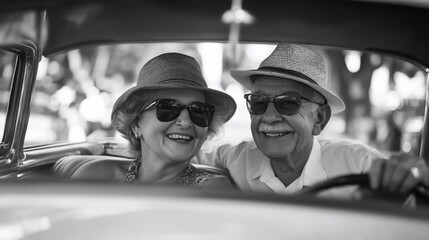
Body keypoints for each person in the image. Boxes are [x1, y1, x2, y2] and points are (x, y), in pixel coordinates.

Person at [194, 42, 429, 199]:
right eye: (258, 102)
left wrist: (413, 174)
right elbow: (182, 154)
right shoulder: (236, 157)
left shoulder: (361, 164)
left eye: (288, 103)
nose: (269, 116)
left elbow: (413, 189)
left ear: (320, 119)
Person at [71, 52, 237, 189]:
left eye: (198, 111)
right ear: (136, 124)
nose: (186, 122)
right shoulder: (94, 176)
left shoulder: (212, 189)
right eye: (168, 108)